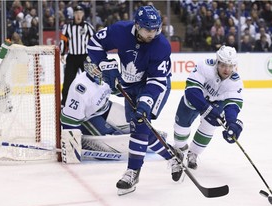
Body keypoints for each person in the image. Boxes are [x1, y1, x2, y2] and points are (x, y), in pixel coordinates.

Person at [87, 5, 183, 195]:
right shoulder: (120, 31)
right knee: (142, 132)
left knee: (140, 124)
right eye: (148, 29)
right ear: (137, 26)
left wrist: (145, 103)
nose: (152, 33)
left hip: (156, 87)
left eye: (156, 29)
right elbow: (94, 44)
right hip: (131, 85)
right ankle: (172, 156)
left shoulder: (161, 46)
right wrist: (107, 66)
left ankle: (132, 172)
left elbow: (156, 80)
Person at [173, 45, 243, 171]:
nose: (226, 69)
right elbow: (191, 91)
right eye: (223, 65)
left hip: (216, 103)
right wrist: (206, 108)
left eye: (230, 66)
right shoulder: (205, 66)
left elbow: (233, 104)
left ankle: (193, 153)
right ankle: (179, 148)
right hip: (195, 100)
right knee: (180, 129)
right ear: (217, 62)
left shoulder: (235, 81)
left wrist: (231, 122)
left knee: (209, 126)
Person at [60, 5, 96, 107]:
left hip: (85, 57)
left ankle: (92, 101)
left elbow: (95, 40)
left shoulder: (88, 26)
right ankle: (64, 103)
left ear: (83, 14)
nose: (78, 15)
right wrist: (62, 53)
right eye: (76, 13)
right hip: (72, 57)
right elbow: (63, 40)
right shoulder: (68, 27)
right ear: (74, 15)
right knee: (68, 81)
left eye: (80, 13)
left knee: (90, 80)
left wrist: (95, 54)